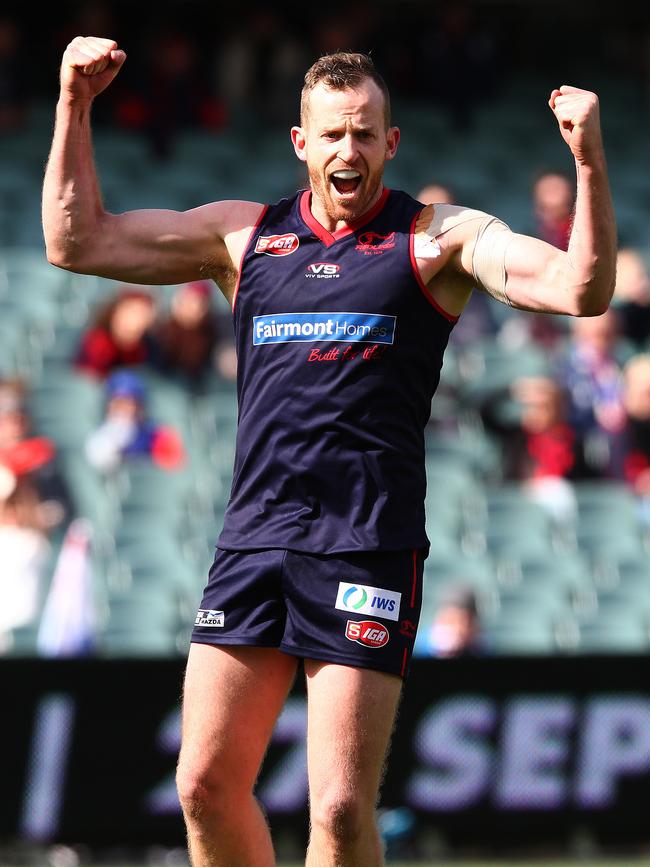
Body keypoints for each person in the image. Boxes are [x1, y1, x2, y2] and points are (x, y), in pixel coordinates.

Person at [42, 37, 616, 867]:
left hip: (366, 544)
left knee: (342, 810)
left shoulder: (434, 239)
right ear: (301, 143)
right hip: (255, 540)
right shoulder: (247, 238)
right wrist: (73, 101)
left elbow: (580, 288)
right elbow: (75, 242)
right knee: (203, 784)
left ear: (391, 142)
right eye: (333, 134)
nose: (350, 150)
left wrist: (590, 162)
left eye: (366, 133)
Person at [85, 369, 186, 473]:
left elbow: (172, 472)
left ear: (140, 408)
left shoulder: (157, 437)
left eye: (129, 404)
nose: (122, 410)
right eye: (118, 404)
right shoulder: (99, 439)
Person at [74, 285, 158, 379]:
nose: (135, 321)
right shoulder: (99, 343)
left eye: (142, 315)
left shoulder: (147, 347)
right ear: (115, 312)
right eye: (130, 312)